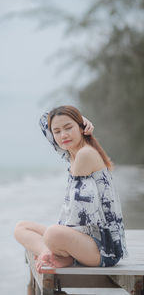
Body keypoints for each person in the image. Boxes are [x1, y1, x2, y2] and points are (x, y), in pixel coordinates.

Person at [14, 105, 128, 273]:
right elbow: (43, 120)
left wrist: (59, 239)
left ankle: (62, 255)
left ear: (81, 129)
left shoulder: (85, 155)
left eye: (69, 128)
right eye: (57, 131)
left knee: (52, 234)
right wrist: (81, 118)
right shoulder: (71, 154)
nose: (63, 135)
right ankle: (50, 253)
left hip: (103, 249)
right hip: (83, 238)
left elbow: (78, 214)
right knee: (21, 227)